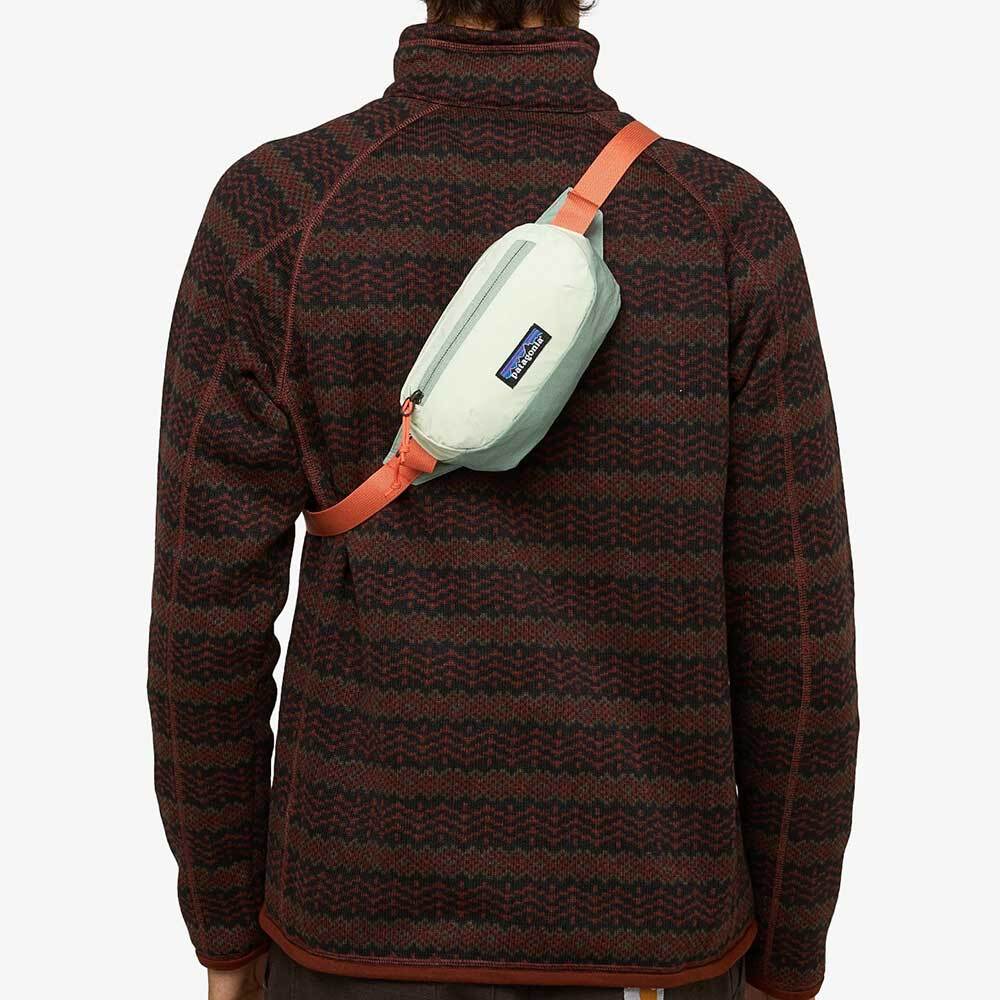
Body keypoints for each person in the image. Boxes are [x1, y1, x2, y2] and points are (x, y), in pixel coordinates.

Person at [148, 1, 858, 998]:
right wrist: (788, 957)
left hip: (350, 924)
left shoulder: (278, 209)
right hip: (654, 932)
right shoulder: (726, 226)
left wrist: (225, 933)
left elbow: (203, 622)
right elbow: (801, 645)